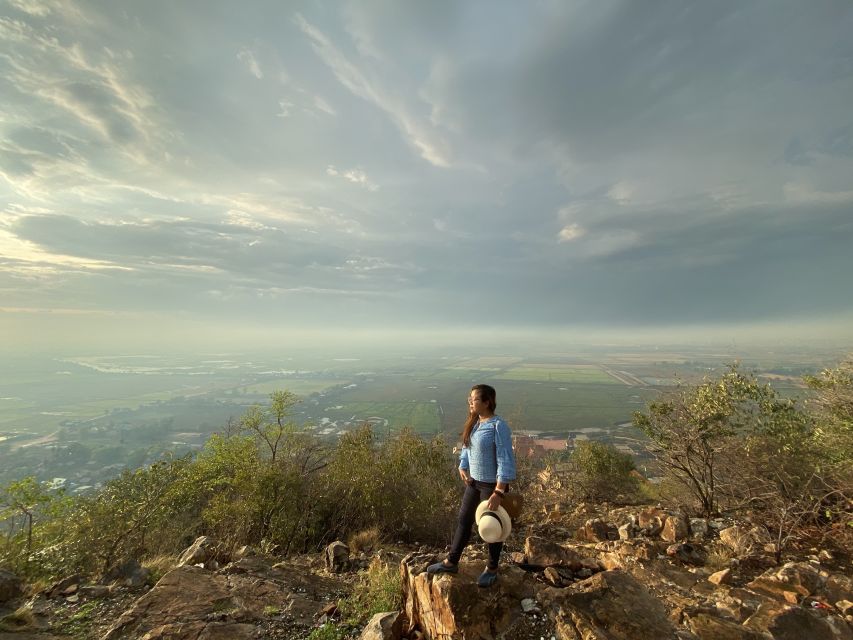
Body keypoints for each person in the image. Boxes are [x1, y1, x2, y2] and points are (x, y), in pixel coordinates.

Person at [427, 383, 517, 587]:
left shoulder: (497, 425)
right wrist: (463, 465)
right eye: (470, 398)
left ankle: (492, 568)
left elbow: (505, 459)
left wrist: (499, 492)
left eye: (474, 399)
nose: (470, 402)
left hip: (491, 486)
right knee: (464, 520)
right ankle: (451, 562)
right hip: (474, 483)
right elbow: (467, 447)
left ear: (487, 402)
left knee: (491, 525)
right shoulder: (475, 422)